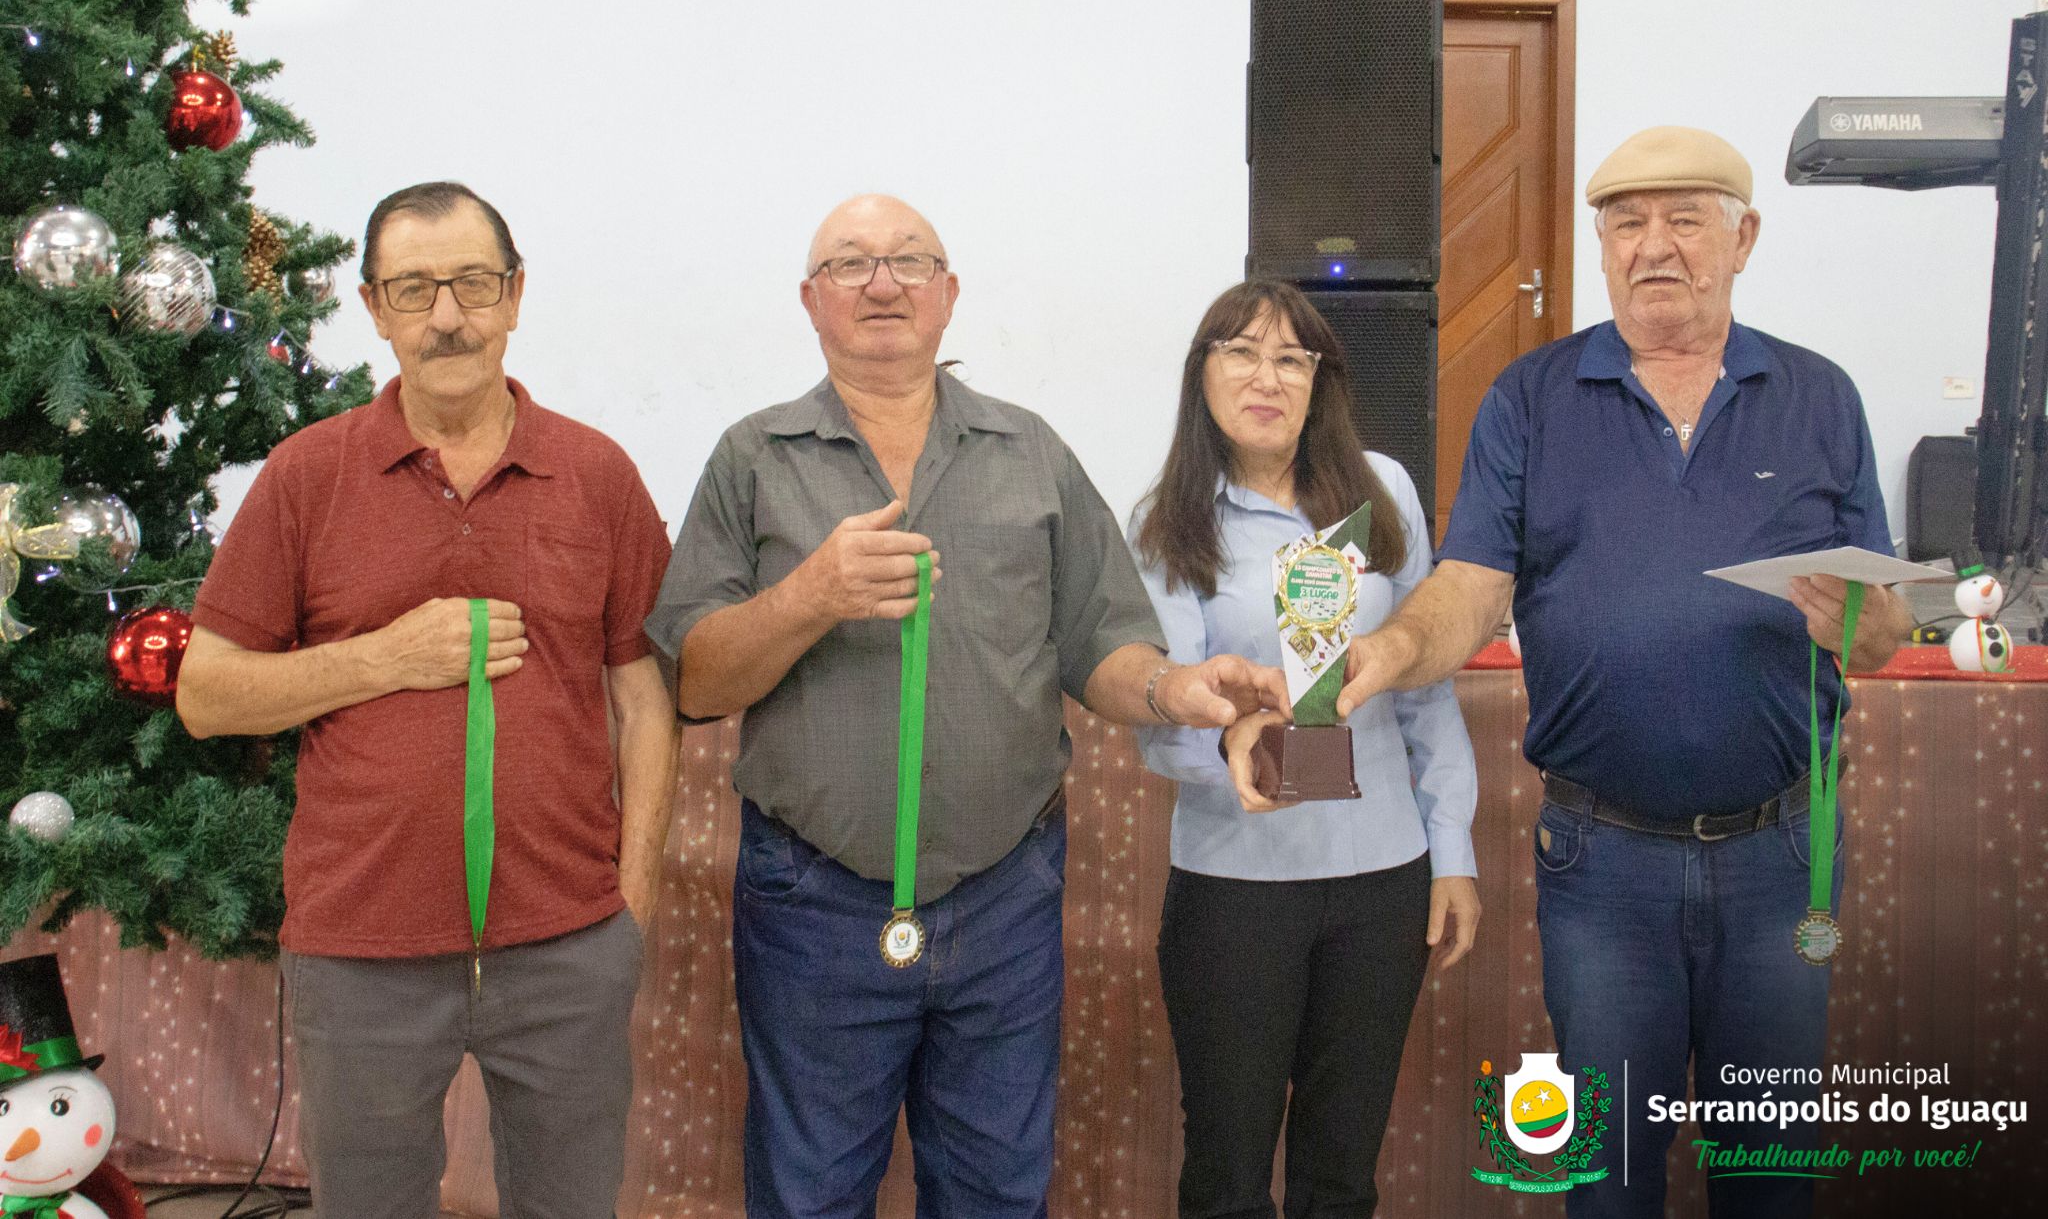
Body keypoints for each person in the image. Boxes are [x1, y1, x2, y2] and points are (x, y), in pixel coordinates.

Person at [645, 194, 1285, 1218]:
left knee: (995, 1190)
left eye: (909, 260)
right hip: (811, 898)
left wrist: (1174, 689)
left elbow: (1102, 642)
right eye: (850, 264)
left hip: (1005, 896)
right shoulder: (753, 457)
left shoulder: (1030, 452)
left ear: (948, 294)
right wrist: (811, 594)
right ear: (810, 301)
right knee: (808, 1194)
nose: (882, 283)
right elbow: (696, 681)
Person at [1334, 127, 1914, 1218]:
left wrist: (1862, 623)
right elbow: (1471, 587)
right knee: (1605, 1180)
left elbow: (1880, 633)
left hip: (1783, 855)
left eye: (1685, 219)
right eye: (1626, 223)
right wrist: (1388, 649)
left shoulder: (1819, 396)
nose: (1654, 245)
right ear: (1601, 246)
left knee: (1769, 1171)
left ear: (1743, 238)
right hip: (1600, 863)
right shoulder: (1531, 397)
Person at [176, 182, 677, 1219]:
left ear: (515, 295)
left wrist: (630, 903)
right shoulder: (308, 476)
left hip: (567, 945)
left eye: (472, 284)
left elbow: (643, 698)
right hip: (360, 949)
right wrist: (387, 656)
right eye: (413, 288)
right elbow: (207, 695)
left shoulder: (596, 474)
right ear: (374, 308)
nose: (447, 316)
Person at [1128, 279, 1479, 1218]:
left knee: (1342, 1170)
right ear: (1202, 373)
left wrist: (1452, 852)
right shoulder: (1168, 522)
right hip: (1237, 882)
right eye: (1241, 352)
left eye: (1292, 358)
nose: (1267, 377)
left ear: (1321, 381)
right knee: (1228, 1169)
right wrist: (1234, 748)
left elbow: (1425, 684)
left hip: (1382, 877)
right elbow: (1164, 717)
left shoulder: (1382, 489)